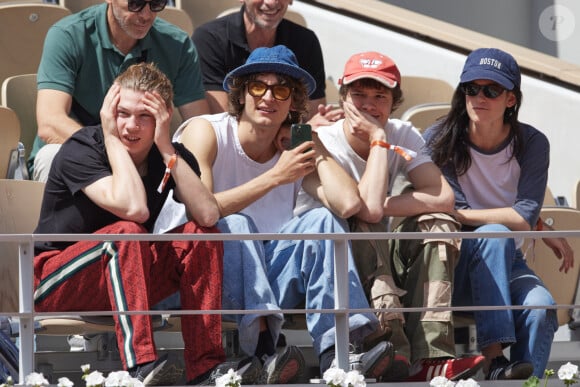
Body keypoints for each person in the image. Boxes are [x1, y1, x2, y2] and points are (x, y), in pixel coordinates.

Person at [169, 44, 395, 382]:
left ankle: (341, 353)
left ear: (294, 102)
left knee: (323, 221)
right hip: (199, 275)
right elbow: (204, 212)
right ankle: (262, 351)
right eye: (258, 86)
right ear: (242, 94)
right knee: (237, 222)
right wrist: (276, 175)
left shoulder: (295, 143)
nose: (269, 97)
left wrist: (313, 147)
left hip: (266, 276)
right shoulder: (206, 130)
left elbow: (348, 204)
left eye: (282, 89)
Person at [32, 63, 248, 386]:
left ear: (163, 118)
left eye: (144, 116)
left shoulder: (170, 154)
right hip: (55, 280)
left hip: (126, 277)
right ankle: (140, 365)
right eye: (122, 113)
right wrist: (110, 136)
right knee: (127, 233)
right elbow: (133, 208)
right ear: (108, 112)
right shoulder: (82, 147)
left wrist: (166, 148)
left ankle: (205, 366)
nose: (130, 126)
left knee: (199, 235)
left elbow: (207, 215)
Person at [293, 51, 485, 382]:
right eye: (359, 95)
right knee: (360, 219)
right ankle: (391, 345)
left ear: (394, 101)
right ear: (342, 97)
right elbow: (362, 210)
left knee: (437, 222)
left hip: (379, 256)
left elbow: (442, 196)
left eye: (380, 96)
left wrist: (383, 197)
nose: (369, 105)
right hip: (329, 268)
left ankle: (431, 357)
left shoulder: (402, 132)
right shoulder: (322, 139)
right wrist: (379, 141)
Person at [424, 47, 573, 380]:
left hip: (508, 261)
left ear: (510, 99)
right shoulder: (438, 138)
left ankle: (524, 381)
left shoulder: (532, 143)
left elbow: (518, 216)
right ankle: (494, 359)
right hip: (453, 262)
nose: (479, 97)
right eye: (471, 88)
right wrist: (525, 220)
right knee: (495, 231)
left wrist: (532, 221)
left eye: (491, 90)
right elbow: (458, 211)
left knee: (541, 308)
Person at [32, 0, 209, 182]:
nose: (147, 15)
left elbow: (199, 125)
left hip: (144, 158)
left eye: (156, 3)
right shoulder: (68, 35)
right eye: (136, 4)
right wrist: (115, 153)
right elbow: (50, 123)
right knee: (51, 156)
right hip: (81, 151)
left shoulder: (177, 43)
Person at [192, 0, 341, 125]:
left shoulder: (306, 41)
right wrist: (290, 131)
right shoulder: (209, 39)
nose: (271, 2)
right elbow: (225, 121)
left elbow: (312, 114)